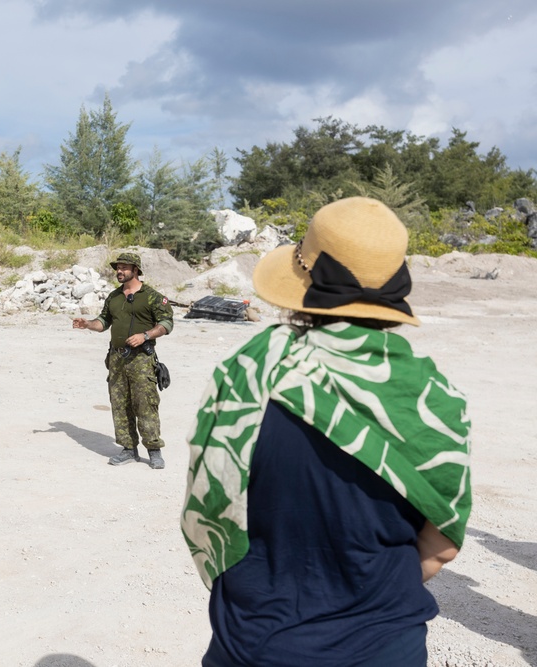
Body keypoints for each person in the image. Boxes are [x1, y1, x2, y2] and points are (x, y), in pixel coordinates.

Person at [181, 197, 472, 667]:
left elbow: (207, 512)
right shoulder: (434, 398)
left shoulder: (250, 373)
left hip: (259, 642)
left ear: (302, 282)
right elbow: (441, 547)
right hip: (387, 647)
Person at [72, 252, 173, 470]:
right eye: (118, 267)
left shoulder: (152, 297)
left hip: (142, 360)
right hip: (117, 358)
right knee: (119, 404)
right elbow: (103, 321)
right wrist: (87, 324)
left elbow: (166, 323)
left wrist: (145, 335)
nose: (119, 271)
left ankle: (154, 450)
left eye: (124, 268)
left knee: (145, 404)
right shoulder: (114, 297)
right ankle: (128, 448)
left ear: (136, 270)